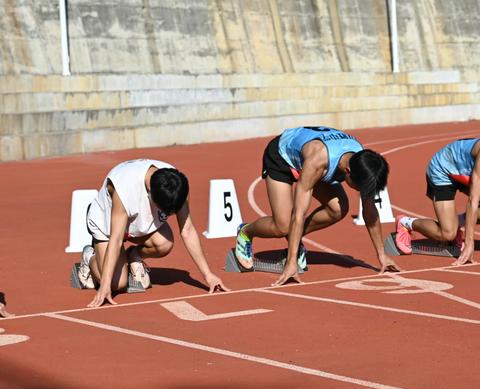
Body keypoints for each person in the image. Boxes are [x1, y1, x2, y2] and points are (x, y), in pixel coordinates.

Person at [234, 126, 400, 285]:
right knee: (283, 226)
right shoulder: (318, 161)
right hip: (281, 157)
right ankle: (246, 232)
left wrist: (382, 254)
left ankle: (294, 240)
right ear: (347, 172)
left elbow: (370, 212)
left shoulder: (364, 162)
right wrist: (291, 263)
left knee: (338, 209)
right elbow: (298, 214)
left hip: (311, 158)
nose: (362, 194)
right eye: (359, 189)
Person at [77, 159, 229, 307]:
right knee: (118, 283)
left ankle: (133, 255)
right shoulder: (125, 189)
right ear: (149, 193)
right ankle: (89, 257)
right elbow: (116, 240)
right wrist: (105, 285)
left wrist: (208, 274)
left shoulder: (177, 186)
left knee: (164, 243)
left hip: (139, 222)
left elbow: (187, 230)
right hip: (108, 225)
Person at [395, 137, 480, 265]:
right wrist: (469, 243)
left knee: (452, 224)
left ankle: (456, 221)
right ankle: (405, 223)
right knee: (447, 234)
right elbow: (473, 201)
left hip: (465, 171)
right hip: (442, 170)